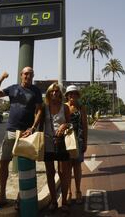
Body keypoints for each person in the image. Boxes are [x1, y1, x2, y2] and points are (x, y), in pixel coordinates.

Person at [0, 66, 43, 211]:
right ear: (21, 75)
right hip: (11, 131)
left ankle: (21, 197)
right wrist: (1, 78)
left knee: (26, 166)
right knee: (3, 162)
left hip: (26, 133)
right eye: (26, 74)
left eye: (31, 74)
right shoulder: (12, 88)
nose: (28, 76)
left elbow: (39, 110)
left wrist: (32, 128)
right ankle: (2, 197)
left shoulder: (36, 91)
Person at [35, 82, 72, 214]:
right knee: (50, 173)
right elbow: (40, 125)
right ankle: (54, 201)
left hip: (62, 143)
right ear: (49, 93)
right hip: (48, 144)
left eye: (57, 91)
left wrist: (64, 126)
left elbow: (70, 124)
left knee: (63, 173)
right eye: (52, 91)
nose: (55, 93)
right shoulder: (45, 107)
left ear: (60, 94)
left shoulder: (65, 108)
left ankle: (64, 201)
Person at [64, 85, 88, 204]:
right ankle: (69, 192)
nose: (72, 96)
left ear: (78, 95)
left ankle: (78, 191)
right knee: (67, 167)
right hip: (67, 141)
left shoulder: (81, 107)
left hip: (78, 140)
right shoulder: (63, 107)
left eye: (75, 94)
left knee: (77, 166)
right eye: (70, 94)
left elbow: (84, 125)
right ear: (67, 95)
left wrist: (85, 142)